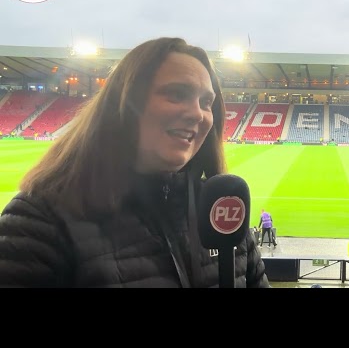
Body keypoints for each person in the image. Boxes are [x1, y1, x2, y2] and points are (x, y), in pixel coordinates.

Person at [0, 37, 270, 288]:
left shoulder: (221, 211)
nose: (197, 114)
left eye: (206, 102)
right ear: (126, 103)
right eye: (176, 94)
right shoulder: (39, 221)